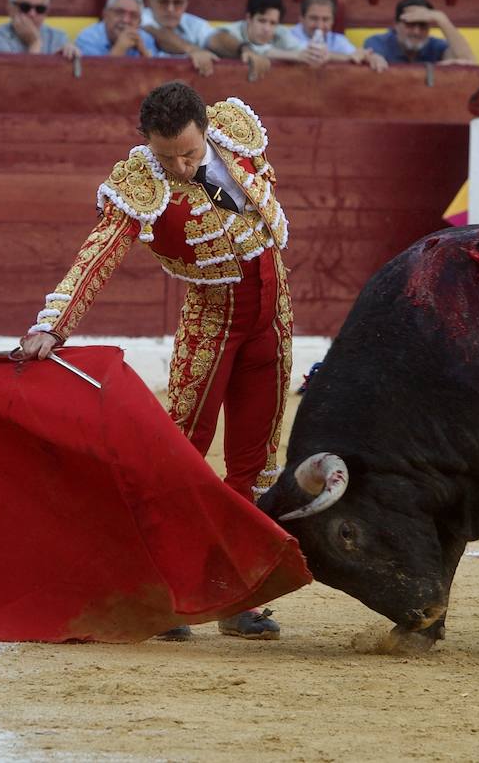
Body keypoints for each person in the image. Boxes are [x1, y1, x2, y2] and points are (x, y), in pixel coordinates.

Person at [19, 80, 293, 640]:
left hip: (274, 316)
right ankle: (161, 591)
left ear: (207, 132)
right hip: (211, 321)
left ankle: (235, 596)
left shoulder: (237, 131)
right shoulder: (141, 182)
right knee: (180, 457)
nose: (182, 168)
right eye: (168, 156)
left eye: (191, 154)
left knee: (255, 463)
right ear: (147, 144)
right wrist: (52, 325)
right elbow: (98, 253)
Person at [206, 0, 307, 79]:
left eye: (273, 23)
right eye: (262, 21)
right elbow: (215, 39)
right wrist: (245, 49)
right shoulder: (235, 30)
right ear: (249, 18)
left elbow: (302, 52)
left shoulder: (281, 32)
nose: (267, 28)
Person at [287, 0, 387, 69]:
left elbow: (356, 55)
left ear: (332, 21)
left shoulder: (337, 40)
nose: (319, 25)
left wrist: (371, 57)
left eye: (325, 19)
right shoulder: (287, 36)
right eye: (313, 18)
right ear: (301, 19)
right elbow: (314, 55)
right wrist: (348, 57)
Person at [362, 0, 476, 64]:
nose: (417, 31)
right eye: (410, 25)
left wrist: (442, 19)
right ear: (396, 25)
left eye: (423, 25)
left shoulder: (436, 45)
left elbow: (468, 61)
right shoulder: (378, 42)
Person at [142, 0, 218, 73]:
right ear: (150, 2)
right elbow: (158, 33)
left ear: (185, 4)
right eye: (163, 1)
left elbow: (215, 38)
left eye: (177, 2)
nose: (170, 9)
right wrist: (193, 50)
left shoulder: (195, 24)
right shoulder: (141, 17)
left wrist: (241, 48)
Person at [75, 0, 158, 56]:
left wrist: (143, 52)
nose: (126, 20)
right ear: (105, 15)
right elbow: (94, 74)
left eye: (133, 16)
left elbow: (155, 75)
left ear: (139, 22)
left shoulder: (146, 39)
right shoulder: (88, 37)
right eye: (119, 12)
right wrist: (120, 48)